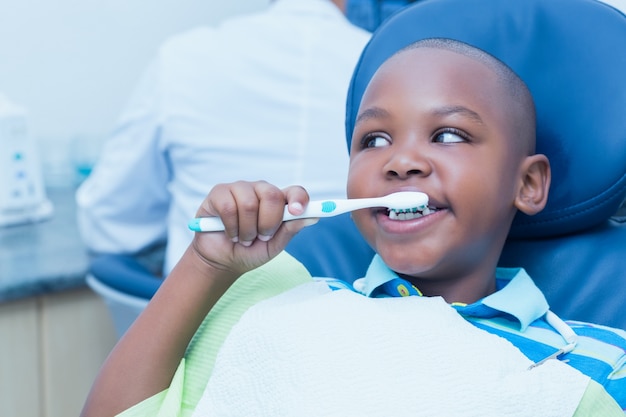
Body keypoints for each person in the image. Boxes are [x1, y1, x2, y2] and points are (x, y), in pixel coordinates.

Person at [80, 35, 626, 416]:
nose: (401, 161)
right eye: (374, 140)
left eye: (449, 135)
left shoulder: (596, 363)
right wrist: (205, 265)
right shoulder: (269, 297)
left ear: (527, 184)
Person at [75, 0, 371, 276]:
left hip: (203, 319)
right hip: (354, 318)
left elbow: (108, 223)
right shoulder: (386, 65)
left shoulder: (184, 57)